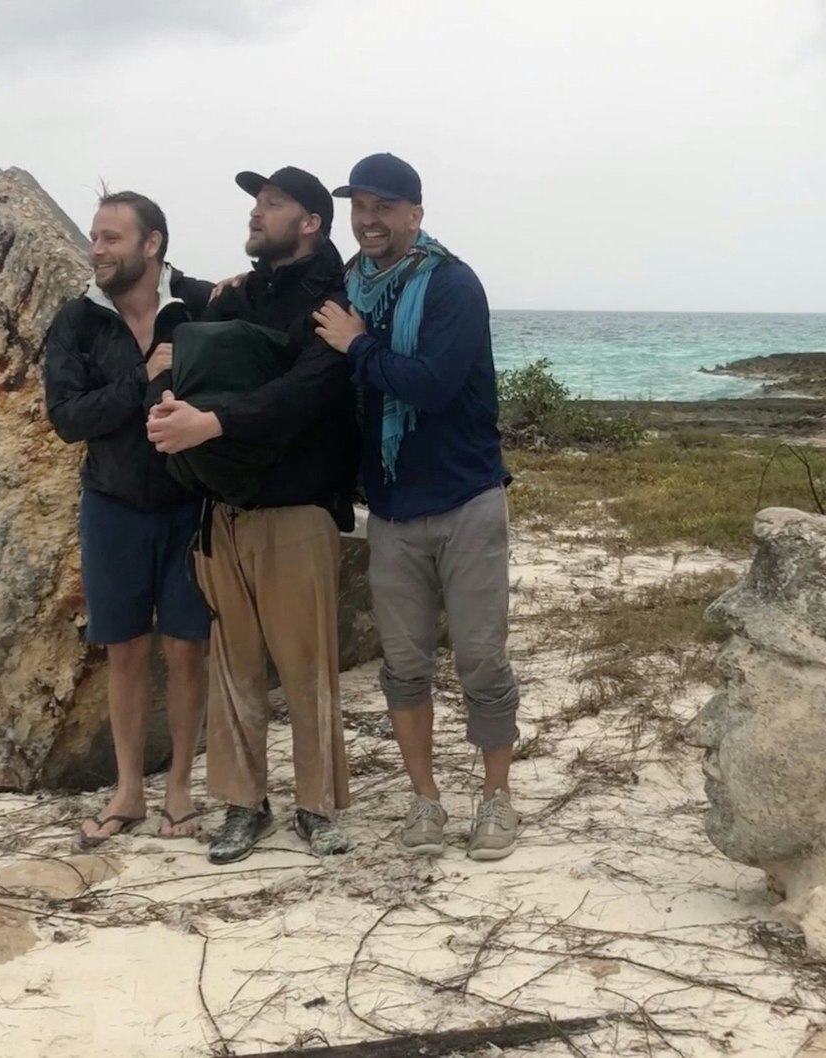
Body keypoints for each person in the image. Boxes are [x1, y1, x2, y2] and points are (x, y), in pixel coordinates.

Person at [147, 165, 359, 865]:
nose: (256, 214)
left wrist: (211, 424)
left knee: (307, 669)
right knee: (233, 670)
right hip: (225, 511)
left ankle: (319, 807)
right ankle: (244, 806)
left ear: (310, 223)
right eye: (256, 203)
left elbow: (311, 390)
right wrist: (168, 370)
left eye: (272, 205)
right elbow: (183, 329)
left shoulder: (333, 298)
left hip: (297, 509)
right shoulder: (247, 290)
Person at [311, 153, 521, 861]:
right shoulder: (349, 287)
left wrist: (358, 344)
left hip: (466, 501)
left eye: (384, 207)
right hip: (393, 512)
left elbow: (428, 386)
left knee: (481, 661)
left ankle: (496, 800)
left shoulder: (453, 285)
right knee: (403, 667)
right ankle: (425, 801)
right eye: (358, 207)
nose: (368, 220)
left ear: (416, 214)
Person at [43, 189, 214, 847]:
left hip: (188, 506)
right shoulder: (78, 321)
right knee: (125, 652)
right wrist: (141, 378)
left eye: (112, 237)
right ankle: (128, 791)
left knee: (186, 649)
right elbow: (66, 418)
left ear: (152, 244)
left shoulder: (193, 309)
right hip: (111, 507)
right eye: (94, 236)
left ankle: (178, 790)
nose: (98, 249)